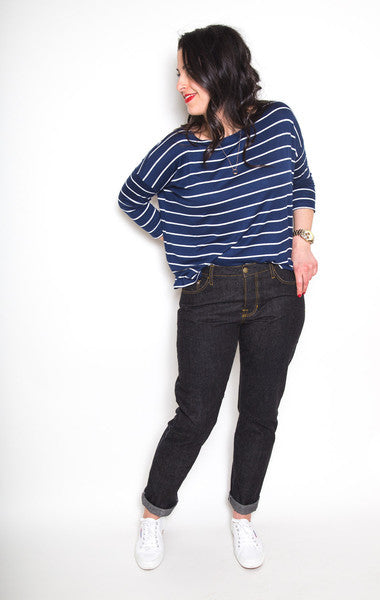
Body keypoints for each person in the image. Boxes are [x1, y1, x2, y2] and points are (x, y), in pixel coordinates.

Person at [117, 24, 317, 570]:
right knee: (195, 414)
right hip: (209, 295)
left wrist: (302, 243)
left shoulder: (279, 121)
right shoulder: (179, 148)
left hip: (278, 290)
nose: (180, 83)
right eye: (177, 73)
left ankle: (243, 517)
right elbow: (131, 197)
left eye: (188, 71)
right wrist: (179, 235)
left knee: (260, 412)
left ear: (219, 67)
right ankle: (154, 513)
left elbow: (301, 181)